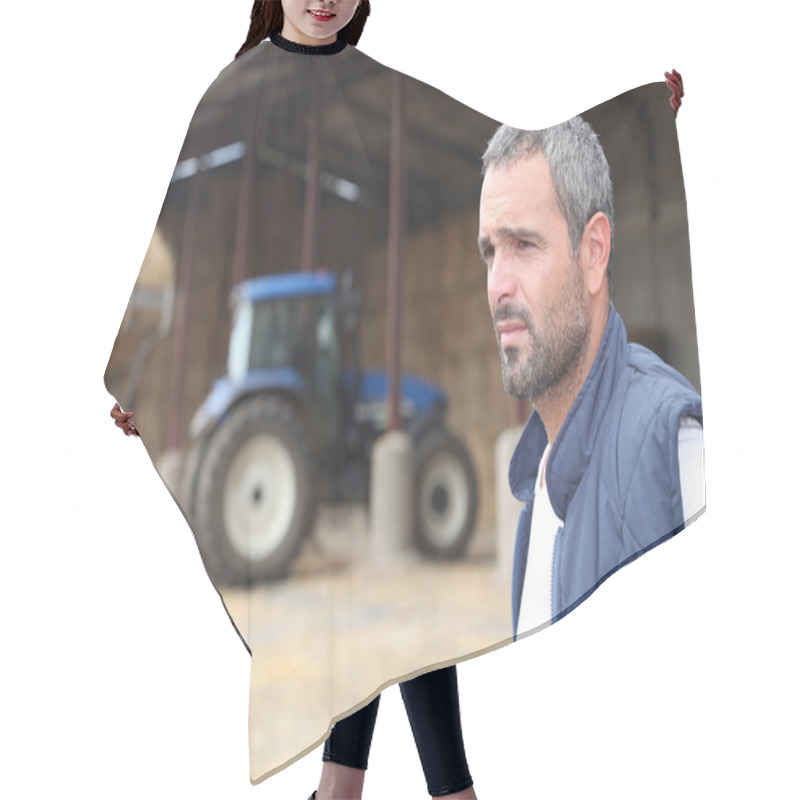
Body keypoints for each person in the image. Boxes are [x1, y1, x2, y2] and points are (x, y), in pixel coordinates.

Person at [114, 2, 477, 798]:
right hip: (279, 390)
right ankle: (434, 793)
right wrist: (136, 377)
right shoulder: (237, 90)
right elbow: (174, 232)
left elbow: (488, 151)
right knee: (392, 594)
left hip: (300, 379)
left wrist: (642, 119)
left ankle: (344, 791)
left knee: (388, 596)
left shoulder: (372, 90)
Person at [478, 115, 704, 639]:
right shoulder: (536, 480)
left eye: (524, 246)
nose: (497, 286)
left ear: (594, 253)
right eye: (490, 251)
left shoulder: (675, 451)